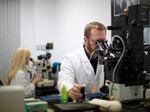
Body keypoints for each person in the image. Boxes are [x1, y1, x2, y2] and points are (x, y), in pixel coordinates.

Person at [57, 21, 107, 100]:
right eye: (96, 42)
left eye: (103, 42)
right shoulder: (70, 58)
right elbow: (63, 80)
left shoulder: (107, 57)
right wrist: (69, 89)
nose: (100, 47)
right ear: (85, 39)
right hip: (80, 104)